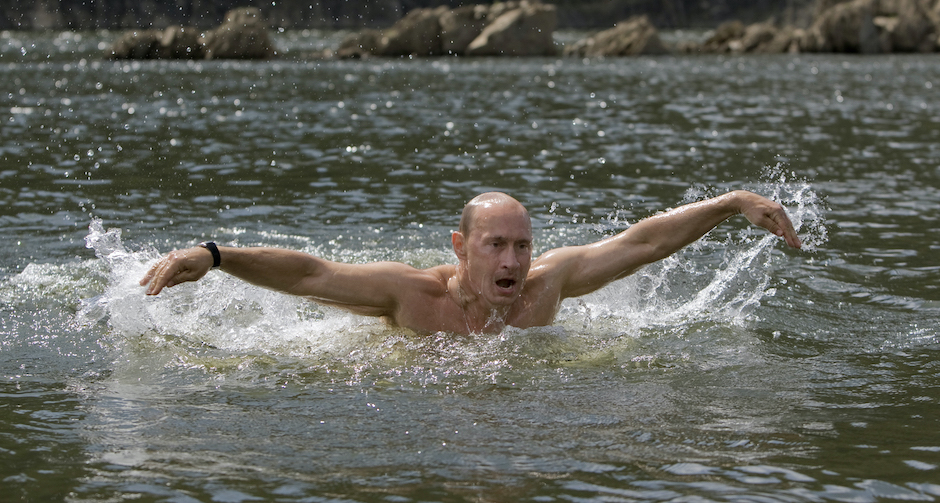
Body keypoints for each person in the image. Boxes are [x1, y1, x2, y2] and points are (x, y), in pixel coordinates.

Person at [140, 190, 801, 334]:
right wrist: (216, 254)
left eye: (521, 244)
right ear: (460, 248)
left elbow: (640, 244)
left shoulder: (547, 288)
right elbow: (313, 273)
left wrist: (733, 203)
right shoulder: (410, 296)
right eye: (496, 244)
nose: (514, 259)